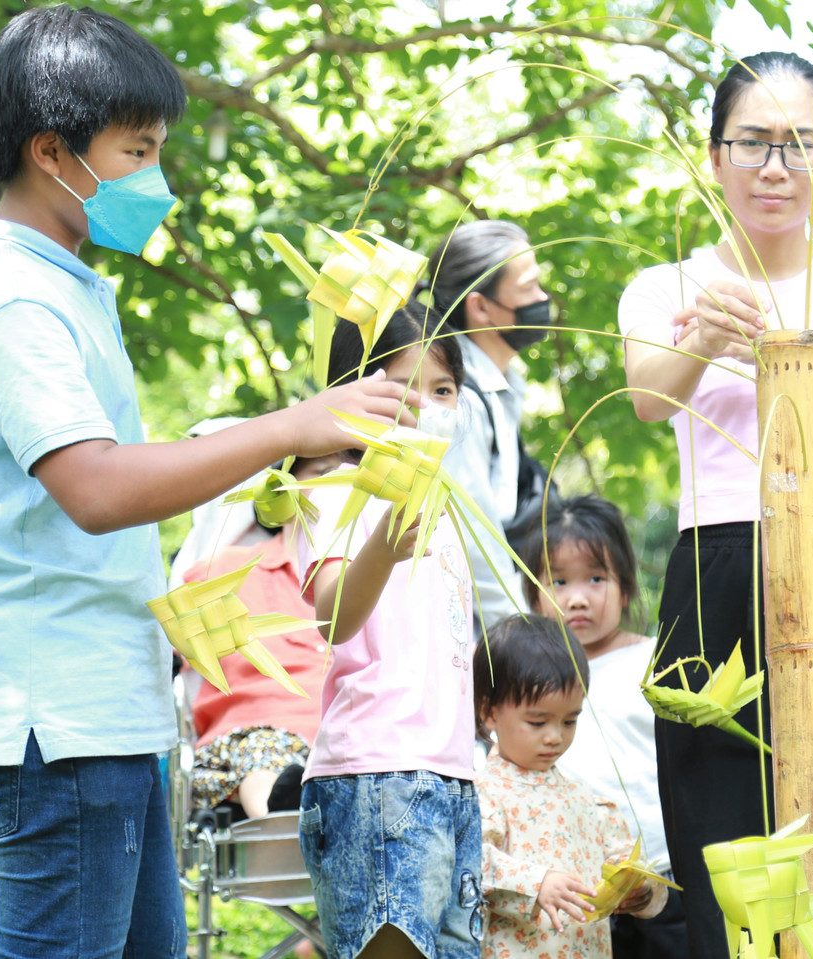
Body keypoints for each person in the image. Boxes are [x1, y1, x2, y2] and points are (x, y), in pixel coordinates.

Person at [0, 8, 420, 956]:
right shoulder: (14, 301)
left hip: (101, 714)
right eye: (136, 149)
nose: (154, 177)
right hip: (55, 717)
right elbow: (98, 487)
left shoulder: (61, 287)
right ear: (49, 150)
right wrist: (289, 426)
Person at [617, 50, 813, 956]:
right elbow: (646, 396)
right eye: (753, 143)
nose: (776, 167)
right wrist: (711, 333)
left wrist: (793, 356)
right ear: (714, 156)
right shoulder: (667, 286)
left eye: (800, 145)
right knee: (722, 844)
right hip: (714, 570)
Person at [297, 305, 482, 959]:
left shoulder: (450, 511)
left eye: (443, 391)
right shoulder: (334, 494)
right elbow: (333, 613)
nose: (429, 409)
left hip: (452, 775)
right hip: (378, 776)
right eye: (404, 393)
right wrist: (384, 542)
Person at [518, 495, 689, 959]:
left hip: (659, 880)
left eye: (596, 578)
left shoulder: (655, 662)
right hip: (570, 895)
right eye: (558, 581)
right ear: (533, 594)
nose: (577, 597)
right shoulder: (524, 681)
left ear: (626, 587)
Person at [475, 615, 668, 959]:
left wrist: (642, 890)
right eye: (537, 722)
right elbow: (471, 865)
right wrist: (537, 883)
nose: (555, 736)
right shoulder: (483, 793)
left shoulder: (587, 801)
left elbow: (627, 863)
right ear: (490, 713)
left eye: (570, 720)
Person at [181, 456, 335, 818]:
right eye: (324, 474)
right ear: (282, 492)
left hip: (348, 745)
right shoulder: (223, 572)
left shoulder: (381, 582)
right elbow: (161, 658)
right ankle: (278, 820)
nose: (338, 487)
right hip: (245, 747)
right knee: (267, 748)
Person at [428, 220, 554, 628]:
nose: (543, 299)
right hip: (459, 618)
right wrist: (519, 631)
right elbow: (473, 531)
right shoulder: (454, 395)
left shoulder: (500, 386)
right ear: (480, 306)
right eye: (529, 288)